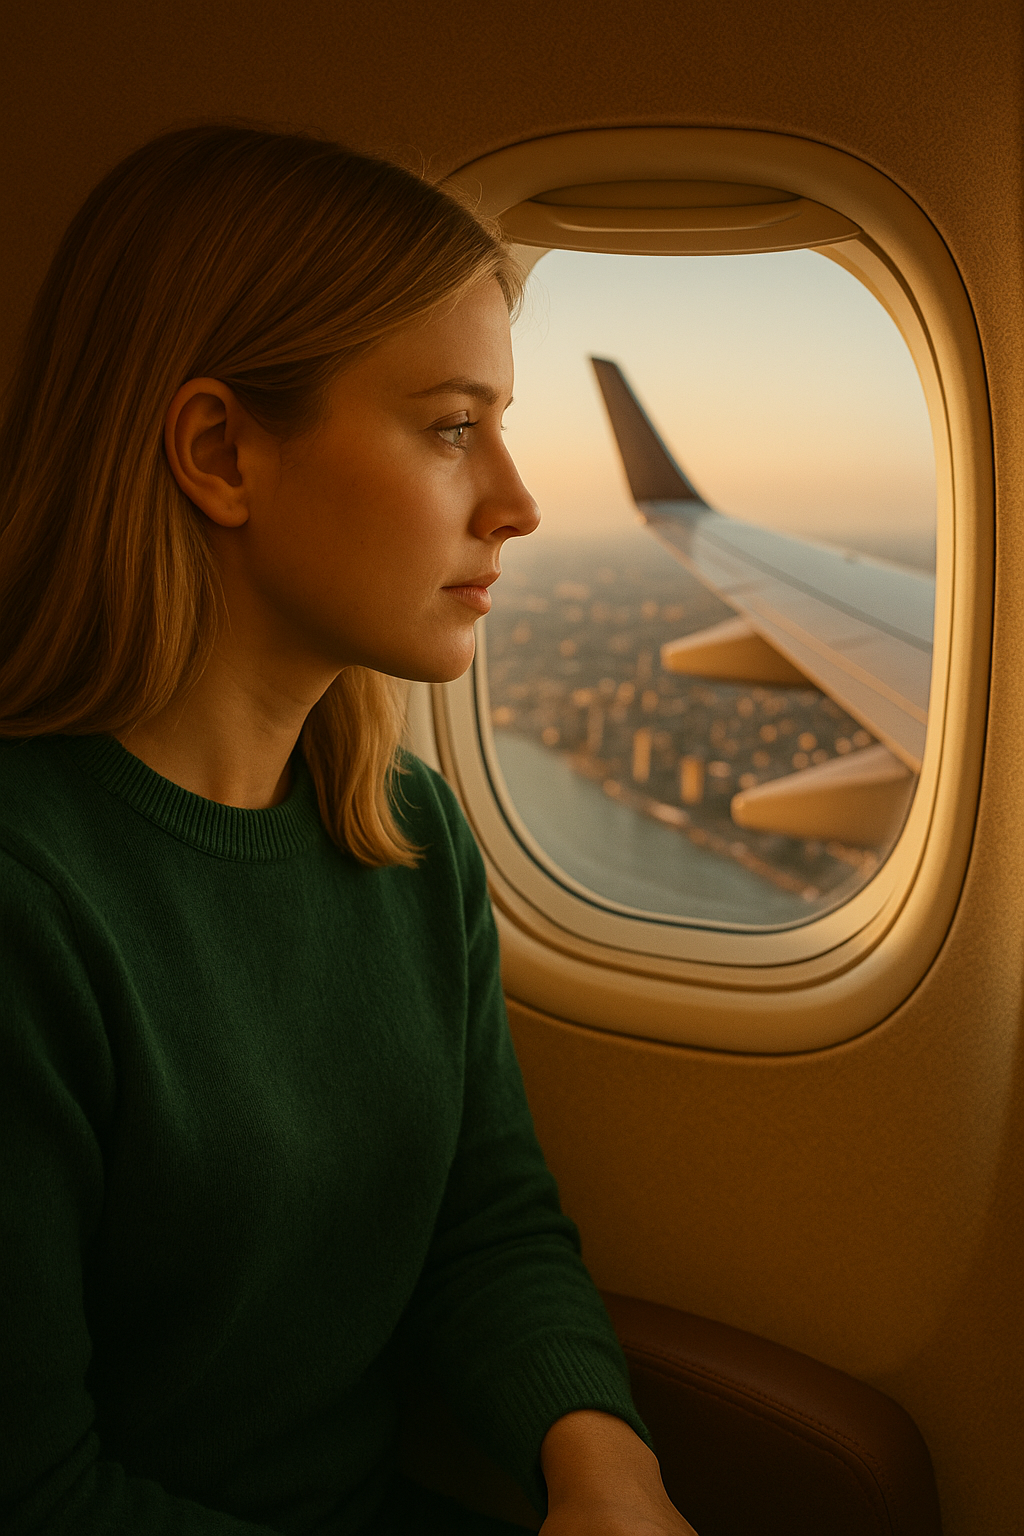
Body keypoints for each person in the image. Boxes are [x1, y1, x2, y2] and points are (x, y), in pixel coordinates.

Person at [0, 123, 698, 1536]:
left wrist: (606, 1466)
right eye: (453, 426)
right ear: (220, 451)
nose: (516, 501)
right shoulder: (30, 903)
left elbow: (481, 1227)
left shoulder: (410, 839)